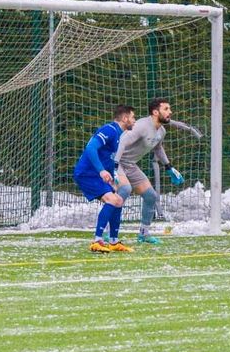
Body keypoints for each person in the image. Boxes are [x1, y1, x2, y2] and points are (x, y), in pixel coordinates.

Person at [114, 97, 194, 245]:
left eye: (169, 109)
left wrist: (169, 167)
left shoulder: (161, 131)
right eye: (166, 109)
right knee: (124, 190)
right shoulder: (141, 126)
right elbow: (122, 141)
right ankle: (108, 232)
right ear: (155, 112)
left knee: (151, 196)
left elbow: (158, 148)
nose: (170, 112)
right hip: (116, 162)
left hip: (130, 165)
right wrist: (113, 166)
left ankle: (144, 234)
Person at [73, 105, 136, 253]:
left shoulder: (118, 134)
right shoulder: (109, 130)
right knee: (112, 200)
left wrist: (112, 175)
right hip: (87, 173)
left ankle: (113, 242)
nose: (135, 121)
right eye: (133, 117)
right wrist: (101, 171)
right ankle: (97, 241)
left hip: (95, 173)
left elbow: (107, 157)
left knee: (118, 201)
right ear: (125, 118)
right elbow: (91, 148)